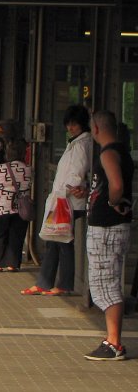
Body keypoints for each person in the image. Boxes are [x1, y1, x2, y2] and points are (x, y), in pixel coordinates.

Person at [79, 110, 133, 361]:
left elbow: (117, 185)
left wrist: (111, 202)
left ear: (96, 129)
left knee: (106, 282)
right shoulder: (122, 152)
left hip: (107, 228)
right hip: (113, 226)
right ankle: (112, 339)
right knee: (107, 280)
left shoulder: (108, 152)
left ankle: (114, 342)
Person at [21, 105, 92, 296]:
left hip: (68, 201)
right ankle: (45, 282)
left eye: (74, 124)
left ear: (82, 124)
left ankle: (63, 284)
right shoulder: (76, 143)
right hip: (64, 200)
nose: (70, 128)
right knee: (54, 240)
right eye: (68, 124)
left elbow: (76, 174)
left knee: (63, 242)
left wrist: (64, 191)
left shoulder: (81, 145)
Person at [0, 121, 30, 272]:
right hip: (20, 208)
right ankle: (13, 264)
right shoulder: (27, 169)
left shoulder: (1, 168)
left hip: (3, 207)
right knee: (16, 236)